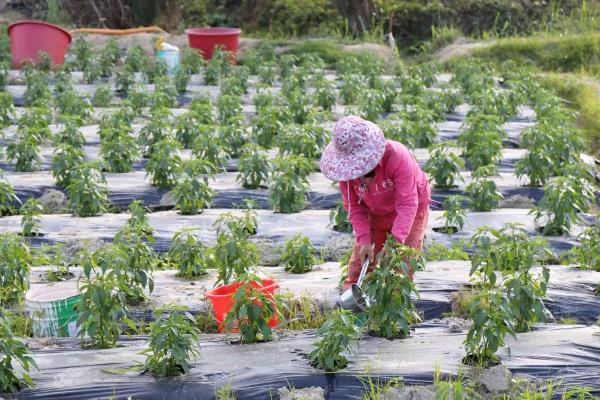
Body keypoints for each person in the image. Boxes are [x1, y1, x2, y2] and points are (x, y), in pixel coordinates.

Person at [319, 115, 431, 290]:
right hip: (375, 210)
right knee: (360, 264)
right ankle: (353, 303)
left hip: (410, 209)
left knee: (400, 263)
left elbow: (408, 203)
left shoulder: (396, 156)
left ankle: (395, 300)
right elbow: (354, 207)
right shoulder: (346, 174)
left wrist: (395, 241)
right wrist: (364, 241)